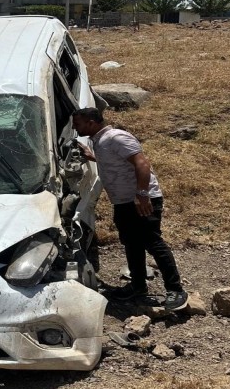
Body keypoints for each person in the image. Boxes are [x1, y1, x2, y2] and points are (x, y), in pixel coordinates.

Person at [71, 107, 188, 312]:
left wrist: (142, 194)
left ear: (91, 123)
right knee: (132, 244)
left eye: (77, 124)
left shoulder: (116, 137)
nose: (74, 127)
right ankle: (138, 286)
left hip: (140, 200)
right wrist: (92, 156)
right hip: (123, 202)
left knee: (153, 243)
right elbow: (115, 162)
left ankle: (176, 290)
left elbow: (142, 163)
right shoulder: (99, 141)